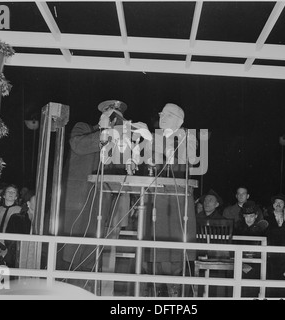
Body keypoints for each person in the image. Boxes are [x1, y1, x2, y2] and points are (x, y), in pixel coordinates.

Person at [59, 100, 148, 293]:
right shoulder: (83, 128)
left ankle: (87, 291)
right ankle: (65, 291)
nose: (113, 118)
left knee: (93, 249)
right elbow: (78, 145)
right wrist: (107, 132)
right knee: (70, 249)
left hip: (101, 199)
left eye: (117, 116)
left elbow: (126, 166)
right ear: (101, 115)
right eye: (110, 114)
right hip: (78, 198)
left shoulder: (118, 140)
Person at [141, 103, 198, 297]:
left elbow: (187, 158)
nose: (162, 117)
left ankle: (174, 291)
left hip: (177, 200)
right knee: (155, 244)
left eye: (168, 115)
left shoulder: (187, 136)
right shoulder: (155, 136)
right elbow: (148, 161)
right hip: (157, 198)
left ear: (179, 121)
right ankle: (155, 289)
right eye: (161, 114)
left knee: (174, 245)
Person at [0, 184, 22, 266]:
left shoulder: (19, 210)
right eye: (8, 191)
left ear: (16, 197)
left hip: (10, 246)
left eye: (13, 192)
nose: (11, 193)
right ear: (4, 195)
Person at [4, 195, 36, 268]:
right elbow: (9, 240)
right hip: (17, 256)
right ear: (28, 203)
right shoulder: (16, 218)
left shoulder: (44, 221)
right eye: (35, 200)